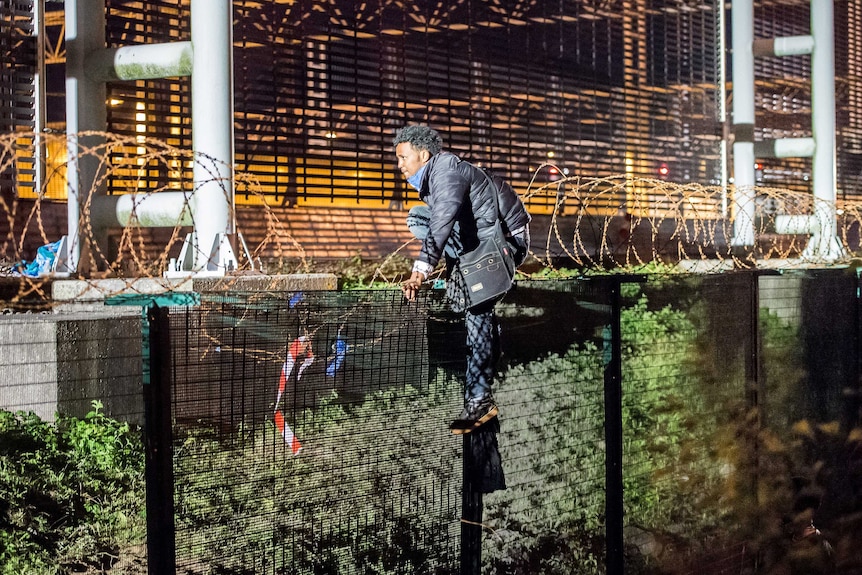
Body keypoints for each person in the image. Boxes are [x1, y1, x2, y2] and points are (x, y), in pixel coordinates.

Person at [394, 125, 530, 434]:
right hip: (483, 238)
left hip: (503, 242)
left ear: (423, 154)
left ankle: (479, 400)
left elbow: (442, 221)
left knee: (477, 313)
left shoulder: (446, 173)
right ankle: (480, 395)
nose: (399, 164)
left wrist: (420, 271)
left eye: (403, 157)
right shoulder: (440, 172)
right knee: (418, 217)